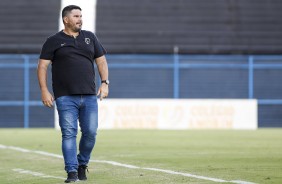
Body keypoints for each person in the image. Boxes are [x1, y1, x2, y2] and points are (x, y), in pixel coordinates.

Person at [37, 5, 109, 183]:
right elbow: (42, 66)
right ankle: (71, 172)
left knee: (90, 133)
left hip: (90, 96)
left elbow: (101, 61)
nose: (80, 19)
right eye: (76, 16)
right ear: (66, 19)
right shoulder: (53, 40)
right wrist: (44, 90)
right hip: (65, 97)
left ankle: (82, 164)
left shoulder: (90, 37)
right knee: (69, 134)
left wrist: (105, 83)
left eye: (81, 16)